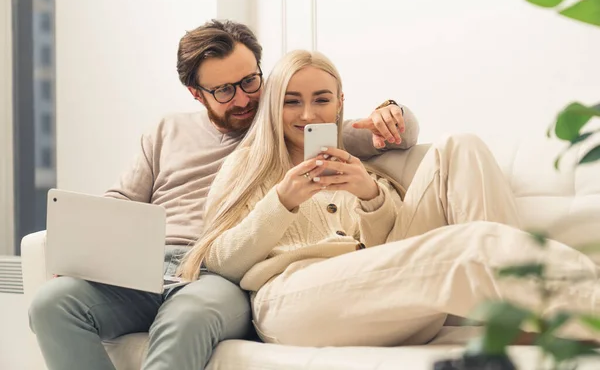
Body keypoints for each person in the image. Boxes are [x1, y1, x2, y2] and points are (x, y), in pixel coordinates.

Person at [27, 20, 421, 370]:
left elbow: (385, 132)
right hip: (147, 267)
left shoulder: (289, 123)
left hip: (219, 272)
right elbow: (121, 201)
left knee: (188, 315)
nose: (245, 99)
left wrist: (393, 108)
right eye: (225, 90)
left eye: (250, 81)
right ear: (197, 94)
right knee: (52, 303)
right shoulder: (165, 131)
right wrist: (86, 252)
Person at [180, 49, 600, 348]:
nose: (308, 115)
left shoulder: (352, 153)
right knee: (470, 245)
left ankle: (512, 312)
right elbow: (220, 260)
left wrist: (370, 195)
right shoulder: (246, 166)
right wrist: (282, 201)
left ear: (340, 104)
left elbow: (389, 251)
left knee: (461, 145)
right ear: (273, 108)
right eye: (292, 102)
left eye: (321, 100)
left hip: (376, 287)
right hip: (296, 300)